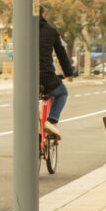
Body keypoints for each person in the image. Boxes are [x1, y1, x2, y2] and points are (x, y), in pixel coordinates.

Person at [39, 7, 74, 140]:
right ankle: (51, 121)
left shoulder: (22, 29)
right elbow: (61, 54)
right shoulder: (51, 31)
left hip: (25, 78)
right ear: (43, 14)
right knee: (62, 93)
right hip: (46, 76)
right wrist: (68, 72)